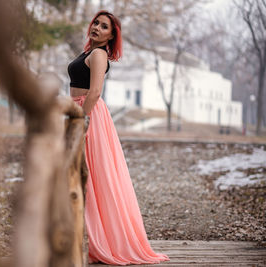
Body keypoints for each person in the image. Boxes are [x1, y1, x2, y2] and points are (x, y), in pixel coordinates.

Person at [67, 10, 171, 265]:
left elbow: (95, 92)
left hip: (88, 115)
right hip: (81, 112)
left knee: (95, 179)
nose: (97, 28)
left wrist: (81, 120)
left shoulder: (99, 54)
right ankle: (90, 239)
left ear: (111, 36)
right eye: (96, 23)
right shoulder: (89, 52)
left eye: (104, 27)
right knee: (83, 175)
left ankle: (105, 242)